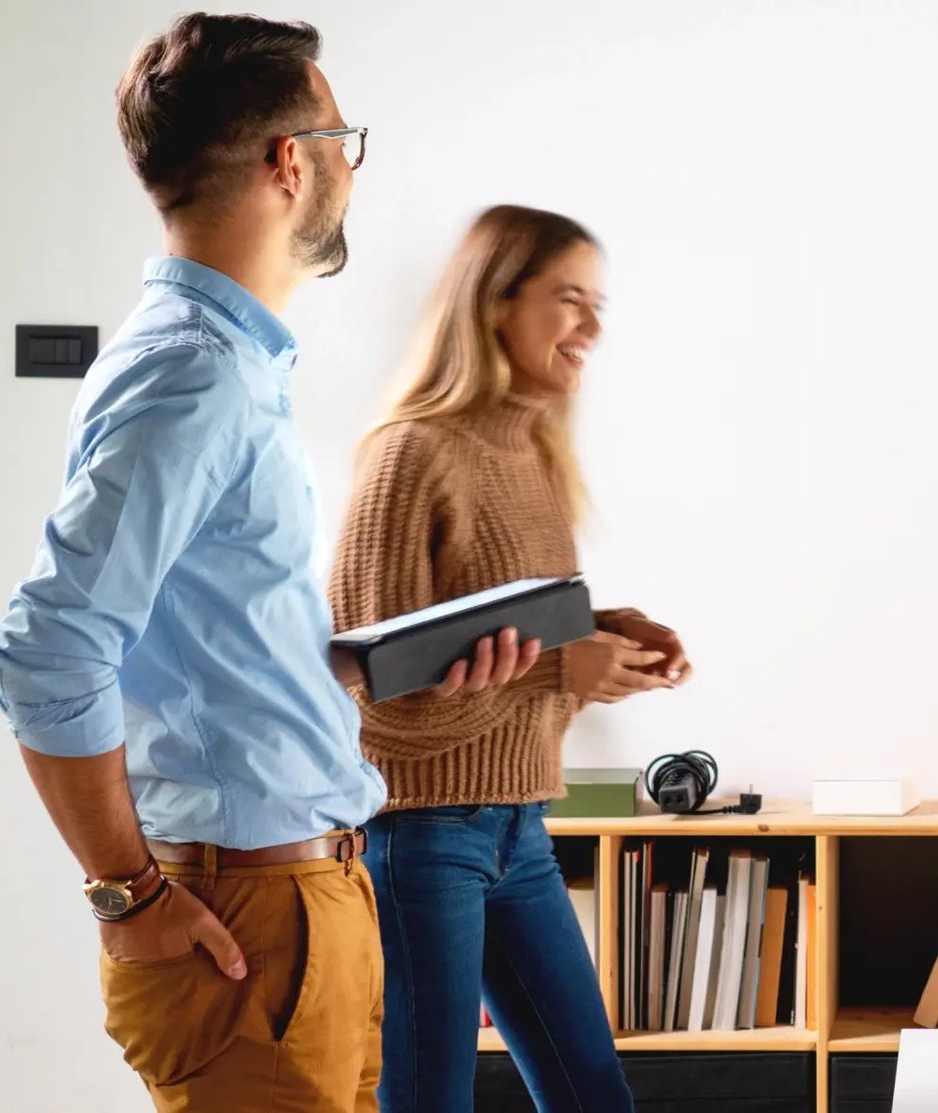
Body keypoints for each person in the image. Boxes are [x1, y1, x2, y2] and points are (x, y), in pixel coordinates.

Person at [0, 14, 533, 1111]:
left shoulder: (221, 367)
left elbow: (196, 650)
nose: (350, 167)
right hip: (251, 920)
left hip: (308, 902)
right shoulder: (198, 377)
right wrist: (127, 893)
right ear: (291, 162)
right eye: (346, 139)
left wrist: (374, 665)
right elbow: (45, 649)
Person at [328, 204, 693, 1113]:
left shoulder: (533, 455)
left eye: (598, 303)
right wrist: (560, 666)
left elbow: (496, 642)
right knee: (427, 1099)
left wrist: (610, 636)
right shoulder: (411, 455)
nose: (594, 328)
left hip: (520, 831)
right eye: (570, 299)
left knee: (593, 1093)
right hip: (419, 838)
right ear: (496, 301)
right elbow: (365, 696)